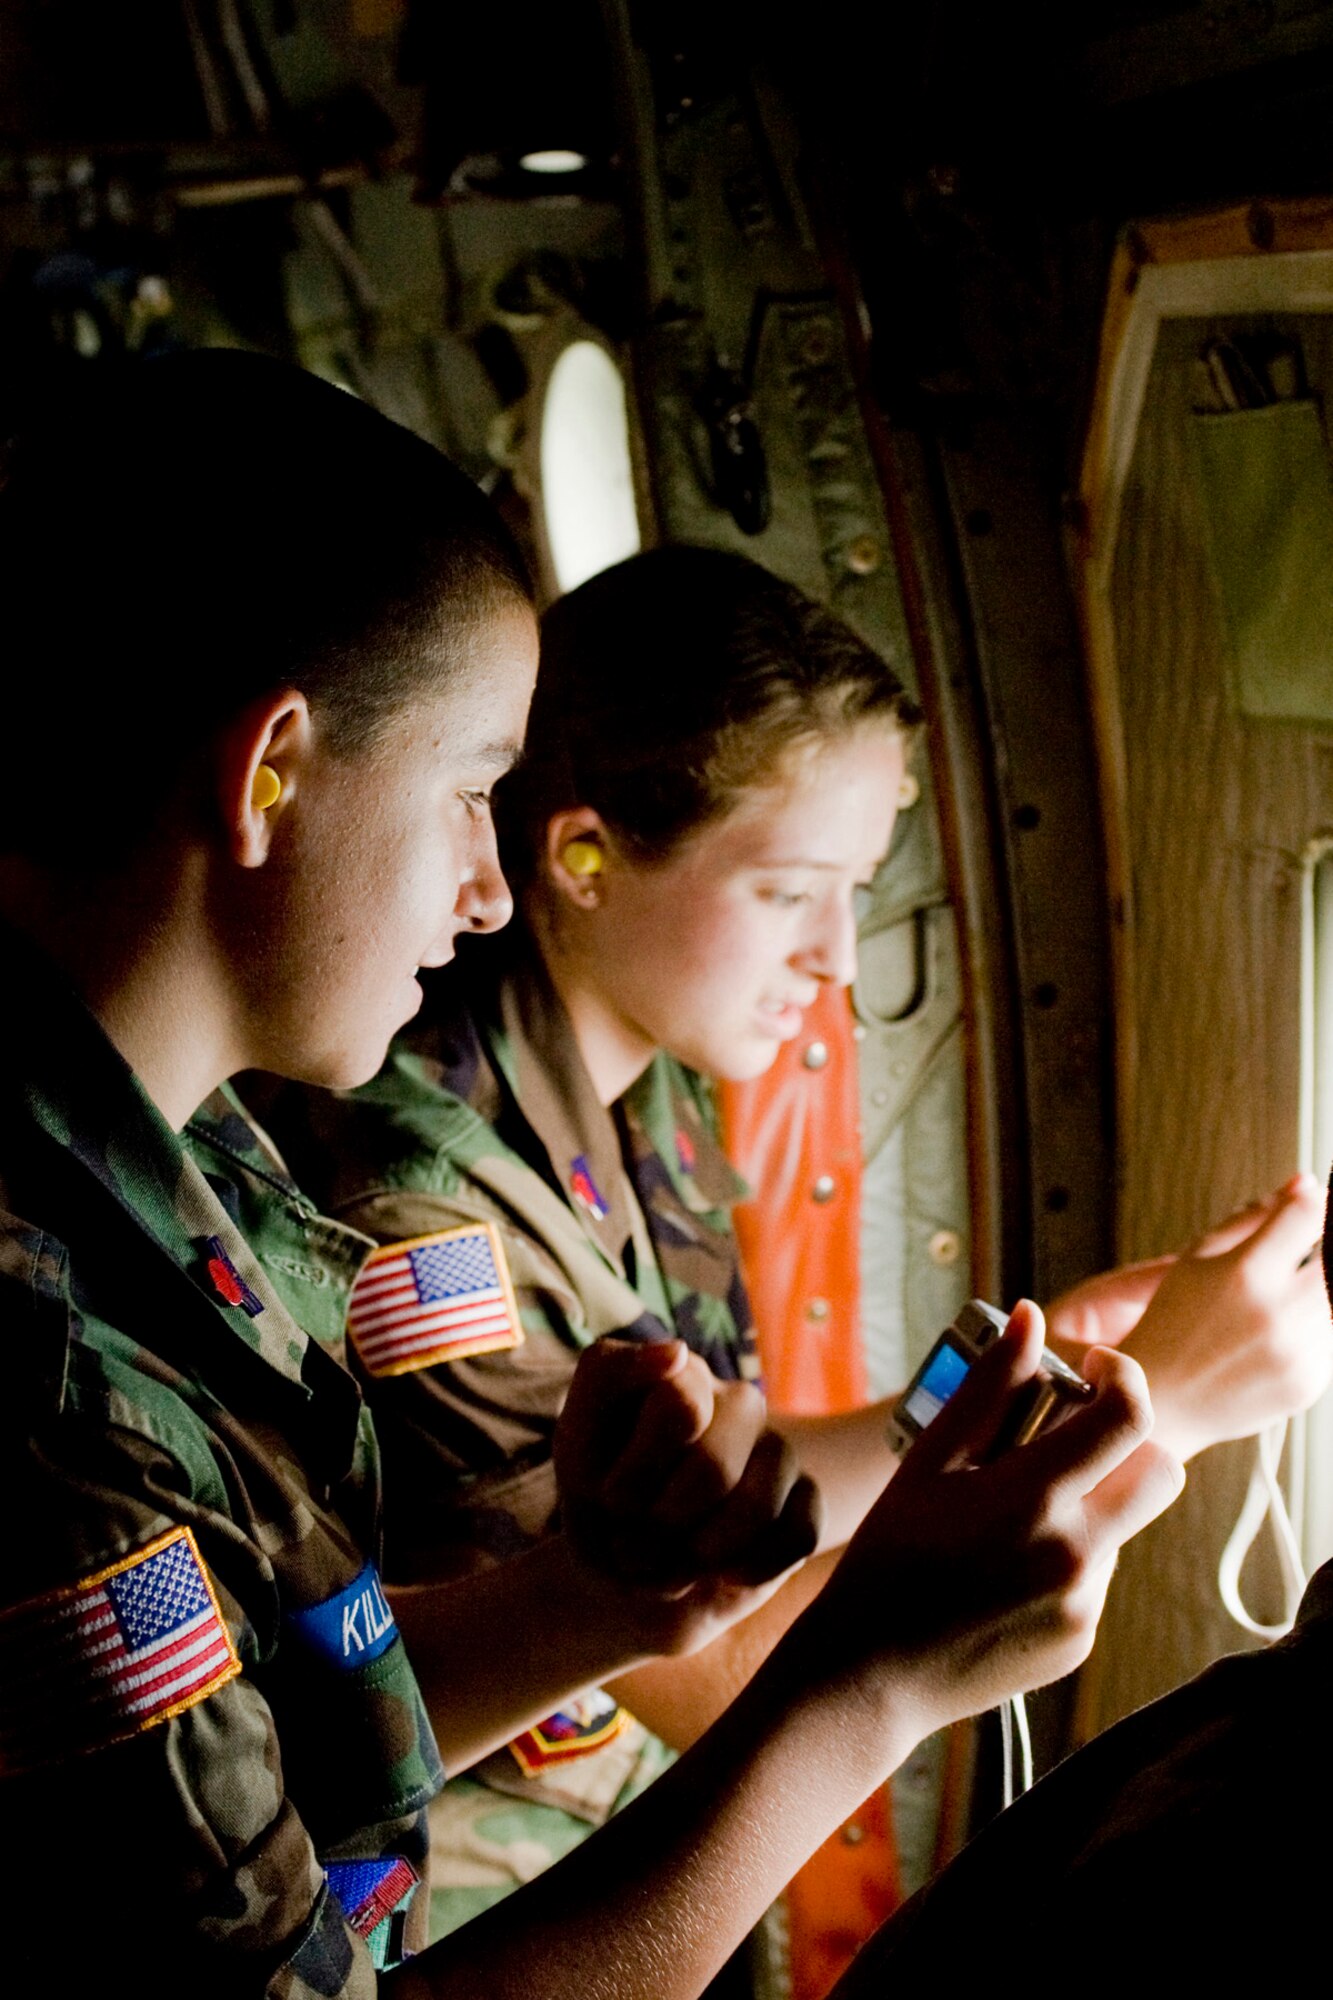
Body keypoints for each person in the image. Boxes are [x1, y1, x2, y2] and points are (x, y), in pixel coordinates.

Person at [0, 352, 1184, 2000]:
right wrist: (863, 1691)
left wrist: (592, 1599)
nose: (487, 894)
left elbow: (260, 1724)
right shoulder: (46, 1406)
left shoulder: (180, 1168)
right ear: (270, 771)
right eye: (476, 792)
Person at [254, 547, 1332, 1939]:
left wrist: (1036, 1368)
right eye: (787, 893)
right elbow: (712, 1672)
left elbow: (736, 1470)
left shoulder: (652, 1091)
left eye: (859, 889)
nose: (834, 954)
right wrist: (1153, 1418)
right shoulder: (423, 1209)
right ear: (580, 855)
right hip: (476, 1911)